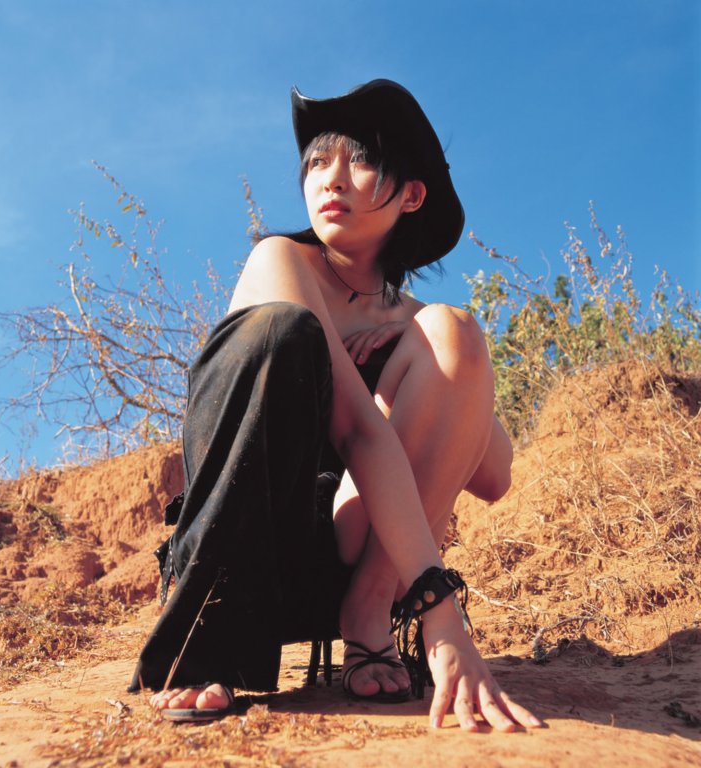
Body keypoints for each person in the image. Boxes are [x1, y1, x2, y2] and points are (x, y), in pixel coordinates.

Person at [131, 79, 542, 732]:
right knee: (279, 331)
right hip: (249, 548)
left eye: (361, 160)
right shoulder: (282, 261)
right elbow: (354, 431)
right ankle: (207, 637)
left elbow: (494, 474)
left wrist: (418, 354)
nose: (333, 178)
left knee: (456, 328)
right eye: (318, 161)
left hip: (357, 561)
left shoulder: (418, 326)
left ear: (412, 194)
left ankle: (369, 613)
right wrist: (441, 610)